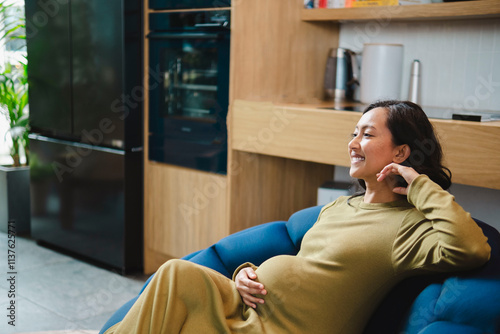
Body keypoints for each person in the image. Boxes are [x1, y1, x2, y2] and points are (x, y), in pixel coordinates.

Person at [104, 100, 491, 334]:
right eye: (353, 133)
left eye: (368, 135)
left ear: (402, 153)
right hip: (247, 312)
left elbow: (472, 248)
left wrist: (420, 186)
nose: (353, 144)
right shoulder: (340, 207)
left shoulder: (408, 228)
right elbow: (303, 272)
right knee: (177, 273)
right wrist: (245, 275)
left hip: (284, 330)